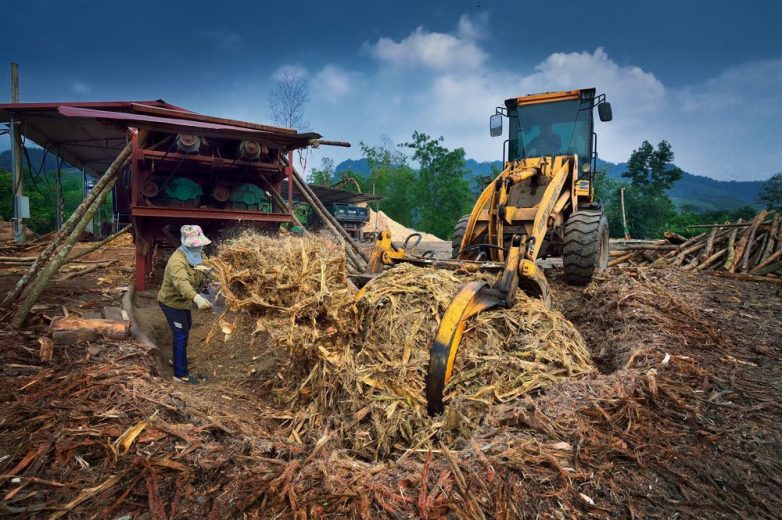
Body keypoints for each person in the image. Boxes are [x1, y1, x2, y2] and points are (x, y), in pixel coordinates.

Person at [157, 224, 213, 384]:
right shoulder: (177, 261)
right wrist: (197, 298)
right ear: (186, 244)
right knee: (180, 334)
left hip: (183, 303)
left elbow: (206, 265)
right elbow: (183, 284)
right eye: (196, 246)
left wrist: (212, 273)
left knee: (185, 329)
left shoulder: (198, 253)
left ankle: (178, 359)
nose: (200, 248)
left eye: (200, 245)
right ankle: (180, 374)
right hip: (171, 303)